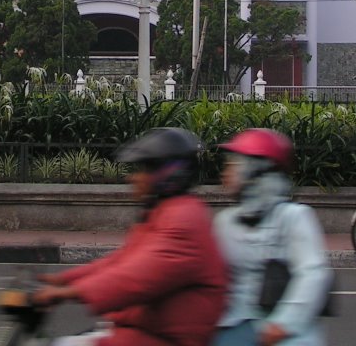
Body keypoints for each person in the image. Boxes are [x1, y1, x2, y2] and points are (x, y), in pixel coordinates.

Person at [31, 127, 227, 346]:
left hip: (163, 339)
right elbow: (122, 261)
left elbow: (134, 277)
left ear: (169, 173)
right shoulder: (163, 212)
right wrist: (63, 280)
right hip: (142, 332)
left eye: (144, 169)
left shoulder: (184, 221)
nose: (133, 177)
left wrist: (66, 293)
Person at [213, 129, 331, 346]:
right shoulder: (225, 221)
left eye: (234, 163)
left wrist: (283, 324)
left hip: (281, 332)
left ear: (256, 169)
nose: (226, 171)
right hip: (233, 324)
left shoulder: (294, 217)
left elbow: (312, 273)